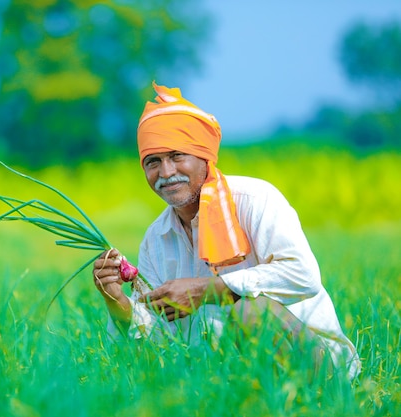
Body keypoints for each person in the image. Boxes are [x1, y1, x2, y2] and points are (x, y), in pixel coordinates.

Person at [92, 82, 360, 379]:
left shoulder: (255, 199)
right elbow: (156, 333)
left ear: (204, 157)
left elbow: (302, 276)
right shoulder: (157, 238)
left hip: (317, 365)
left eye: (177, 156)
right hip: (227, 374)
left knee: (250, 312)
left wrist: (206, 290)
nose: (166, 173)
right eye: (153, 162)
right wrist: (116, 301)